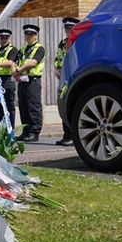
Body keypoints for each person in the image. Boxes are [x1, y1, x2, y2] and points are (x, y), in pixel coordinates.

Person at [13, 24, 45, 142]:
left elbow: (33, 63)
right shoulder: (22, 50)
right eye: (27, 34)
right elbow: (15, 62)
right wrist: (15, 73)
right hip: (22, 80)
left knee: (34, 106)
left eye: (31, 34)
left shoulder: (39, 48)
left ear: (35, 36)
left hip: (33, 81)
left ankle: (34, 132)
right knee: (23, 107)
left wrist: (18, 70)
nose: (28, 36)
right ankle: (25, 131)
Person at [53, 17, 80, 146]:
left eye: (70, 28)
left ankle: (73, 136)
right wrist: (57, 69)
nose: (67, 31)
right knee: (65, 104)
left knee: (73, 106)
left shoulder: (78, 41)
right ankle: (67, 135)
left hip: (74, 77)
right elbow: (59, 58)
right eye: (66, 28)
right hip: (63, 78)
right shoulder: (63, 43)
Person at [0, 29, 18, 129]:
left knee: (8, 107)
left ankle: (10, 130)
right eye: (2, 37)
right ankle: (0, 130)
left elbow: (10, 62)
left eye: (6, 37)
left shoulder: (13, 50)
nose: (4, 40)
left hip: (7, 80)